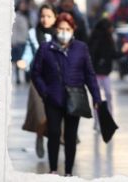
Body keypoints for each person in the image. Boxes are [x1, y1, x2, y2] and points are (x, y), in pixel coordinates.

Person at [32, 12, 101, 176]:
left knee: (70, 136)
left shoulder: (81, 48)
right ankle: (53, 170)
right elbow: (35, 73)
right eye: (61, 28)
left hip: (74, 98)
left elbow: (90, 74)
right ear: (56, 29)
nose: (64, 31)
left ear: (73, 29)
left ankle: (69, 171)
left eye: (67, 28)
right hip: (53, 98)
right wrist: (45, 92)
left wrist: (96, 97)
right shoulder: (45, 48)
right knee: (54, 133)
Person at [20, 4, 57, 159]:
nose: (45, 19)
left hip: (56, 81)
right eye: (42, 16)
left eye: (49, 16)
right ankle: (40, 137)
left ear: (55, 17)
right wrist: (24, 61)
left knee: (55, 116)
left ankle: (53, 139)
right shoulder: (33, 33)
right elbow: (28, 52)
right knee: (41, 115)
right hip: (37, 79)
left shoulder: (61, 32)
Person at [88, 18, 128, 131]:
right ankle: (98, 121)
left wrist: (123, 51)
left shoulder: (108, 39)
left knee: (107, 95)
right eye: (110, 27)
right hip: (96, 74)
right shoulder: (96, 40)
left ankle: (107, 120)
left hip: (105, 74)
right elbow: (91, 55)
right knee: (100, 98)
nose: (112, 29)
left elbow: (113, 54)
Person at [11, 0, 30, 85]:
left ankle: (26, 77)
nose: (24, 6)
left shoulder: (27, 15)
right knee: (17, 60)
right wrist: (13, 41)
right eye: (22, 4)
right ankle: (18, 78)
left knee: (25, 60)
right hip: (18, 41)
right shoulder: (16, 16)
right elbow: (13, 29)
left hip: (25, 41)